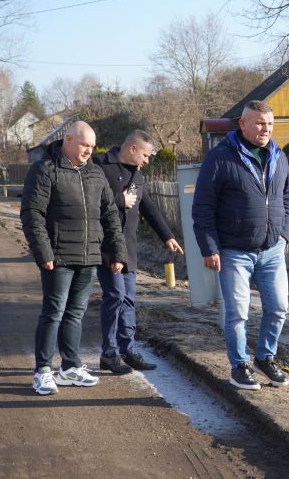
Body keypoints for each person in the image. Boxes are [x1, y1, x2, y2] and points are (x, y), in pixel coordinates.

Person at [192, 100, 289, 390]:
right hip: (234, 251)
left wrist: (285, 233)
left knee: (278, 308)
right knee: (238, 312)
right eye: (261, 123)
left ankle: (265, 357)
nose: (266, 129)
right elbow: (203, 207)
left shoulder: (278, 156)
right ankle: (239, 366)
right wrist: (209, 247)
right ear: (243, 124)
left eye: (270, 124)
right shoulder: (221, 158)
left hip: (272, 250)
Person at [21, 121, 127, 395]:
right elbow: (32, 215)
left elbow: (110, 216)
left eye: (92, 146)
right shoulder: (45, 170)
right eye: (84, 145)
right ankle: (43, 371)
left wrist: (117, 252)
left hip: (89, 256)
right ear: (68, 140)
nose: (89, 151)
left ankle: (70, 368)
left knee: (76, 314)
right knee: (53, 313)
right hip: (57, 258)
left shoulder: (96, 174)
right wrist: (43, 252)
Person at [94, 130, 184, 374]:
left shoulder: (138, 177)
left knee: (129, 300)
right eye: (145, 155)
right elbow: (88, 201)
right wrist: (117, 200)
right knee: (115, 297)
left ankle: (128, 350)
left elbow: (149, 207)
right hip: (106, 247)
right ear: (132, 148)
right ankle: (109, 353)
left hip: (130, 248)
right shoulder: (100, 166)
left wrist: (168, 236)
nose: (147, 161)